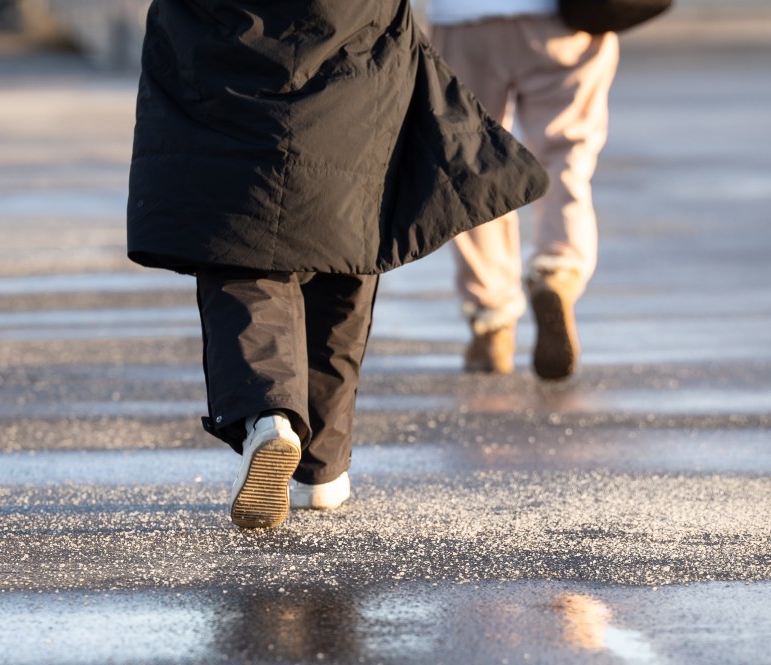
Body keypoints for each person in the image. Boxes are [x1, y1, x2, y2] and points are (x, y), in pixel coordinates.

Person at [127, 0, 550, 529]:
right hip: (355, 60)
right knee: (345, 251)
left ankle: (270, 417)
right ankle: (321, 471)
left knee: (240, 252)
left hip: (223, 66)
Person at [424, 1, 619, 379]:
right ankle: (557, 270)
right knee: (566, 154)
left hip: (463, 19)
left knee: (472, 162)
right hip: (562, 19)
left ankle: (491, 320)